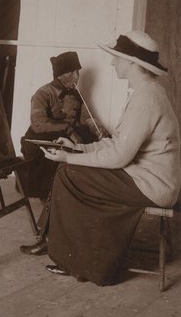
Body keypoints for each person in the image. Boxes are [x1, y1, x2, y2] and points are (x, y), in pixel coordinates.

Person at [39, 30, 181, 286]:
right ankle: (85, 260)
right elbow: (119, 144)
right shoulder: (145, 92)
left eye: (118, 58)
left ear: (134, 64)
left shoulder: (147, 98)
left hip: (153, 185)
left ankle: (82, 263)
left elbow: (118, 157)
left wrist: (70, 159)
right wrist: (77, 149)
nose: (114, 62)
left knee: (69, 174)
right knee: (70, 172)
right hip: (145, 178)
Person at [19, 51, 108, 255]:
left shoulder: (76, 94)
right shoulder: (42, 93)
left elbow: (88, 118)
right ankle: (49, 232)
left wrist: (99, 130)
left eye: (77, 71)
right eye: (71, 72)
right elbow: (39, 123)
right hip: (45, 142)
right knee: (51, 172)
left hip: (69, 141)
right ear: (60, 74)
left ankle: (70, 222)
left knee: (91, 153)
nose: (76, 77)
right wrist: (68, 131)